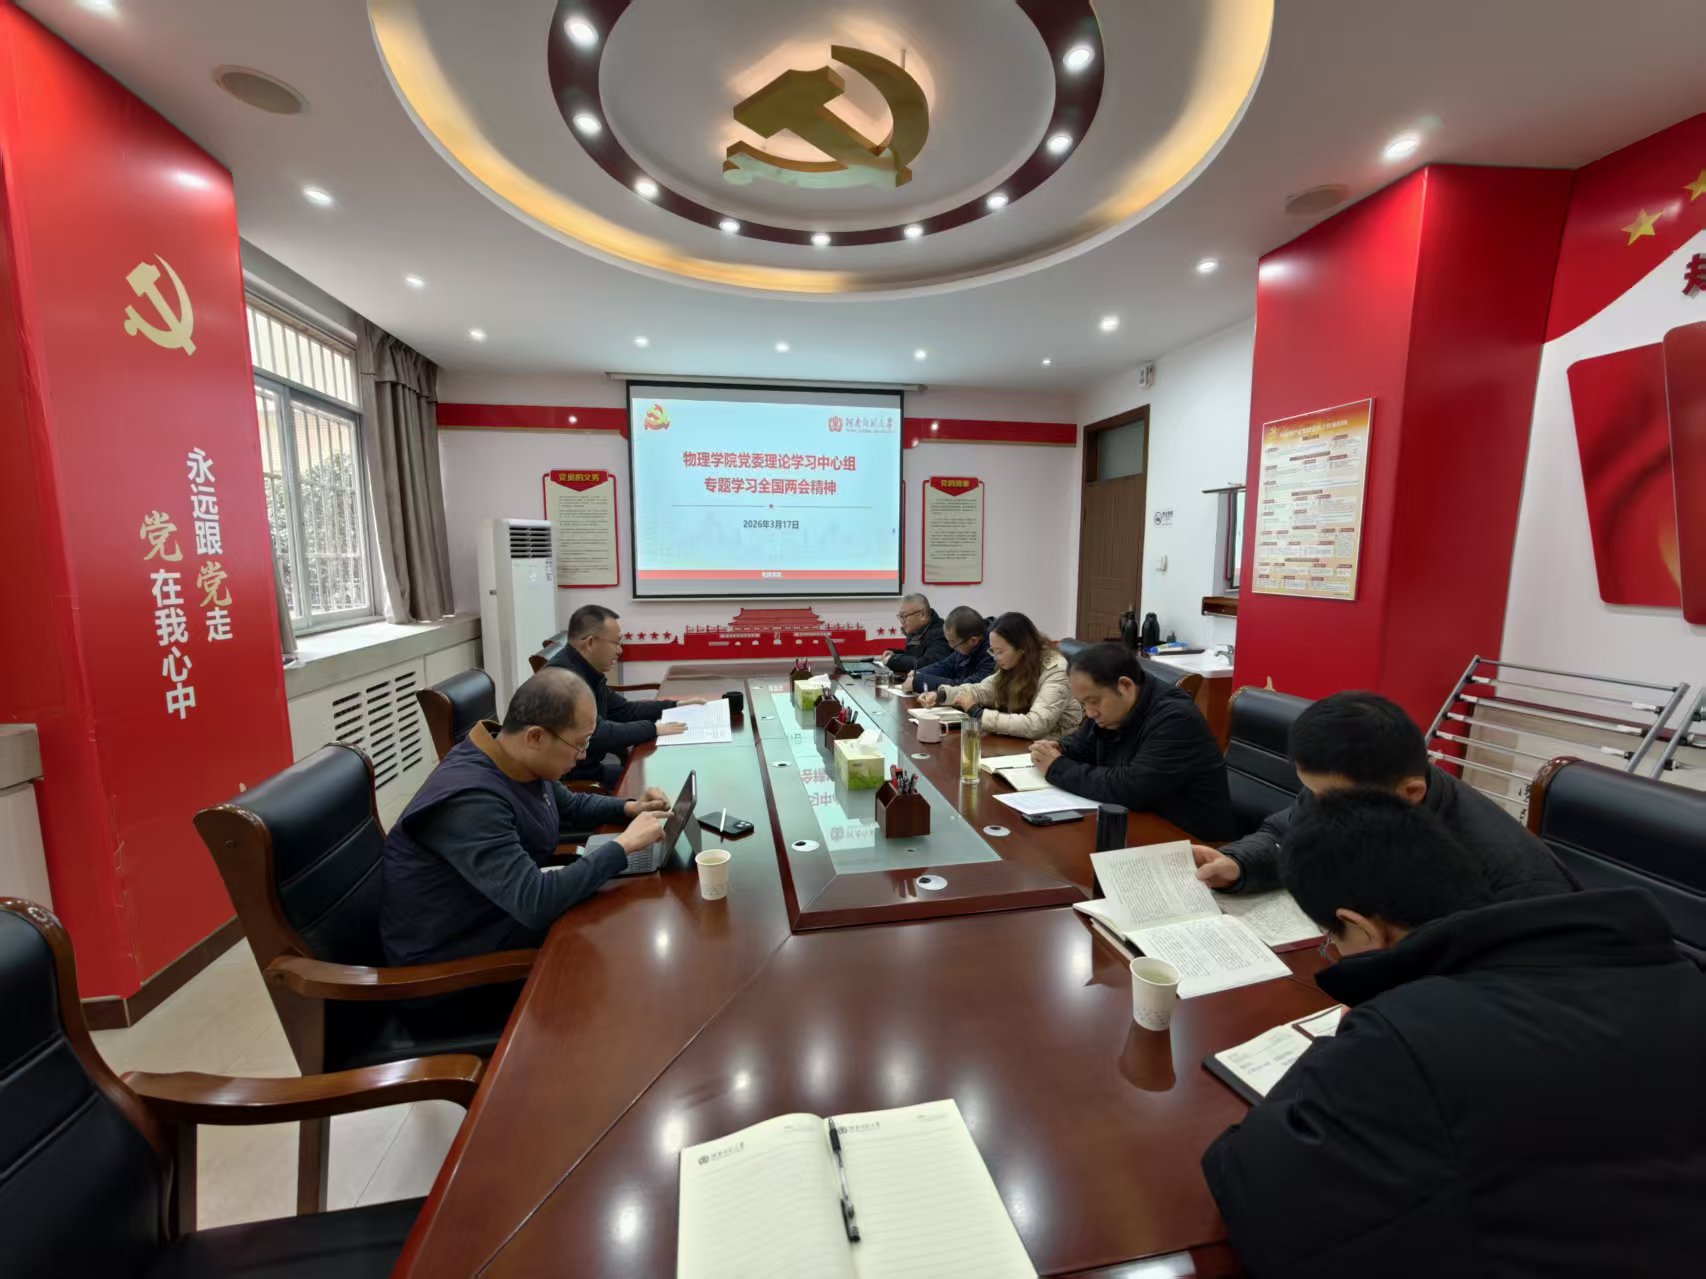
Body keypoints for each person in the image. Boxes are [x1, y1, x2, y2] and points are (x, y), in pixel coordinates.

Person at [1202, 789, 1706, 1277]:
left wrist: (1343, 1046)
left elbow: (1255, 1190)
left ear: (1362, 927)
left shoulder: (1410, 1035)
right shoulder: (1674, 978)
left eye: (1332, 941)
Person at [381, 667, 671, 968]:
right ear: (535, 737)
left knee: (623, 915)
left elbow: (571, 804)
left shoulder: (513, 757)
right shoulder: (470, 801)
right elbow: (535, 902)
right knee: (623, 941)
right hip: (452, 959)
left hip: (496, 911)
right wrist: (623, 846)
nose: (583, 755)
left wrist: (630, 808)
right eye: (580, 743)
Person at [1194, 690, 1575, 899]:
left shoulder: (1516, 881)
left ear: (1411, 792)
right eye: (1311, 791)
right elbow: (1286, 834)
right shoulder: (1339, 790)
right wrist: (1240, 864)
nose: (1320, 810)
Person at [1030, 643, 1235, 841]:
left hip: (1192, 841)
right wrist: (1058, 749)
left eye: (1093, 701)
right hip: (1140, 822)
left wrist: (1057, 767)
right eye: (1084, 703)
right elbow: (1084, 746)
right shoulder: (1112, 708)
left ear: (1126, 686)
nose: (1090, 713)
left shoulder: (1177, 719)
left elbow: (1132, 788)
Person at [547, 603, 715, 782]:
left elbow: (624, 710)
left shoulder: (586, 670)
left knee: (663, 774)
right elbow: (597, 735)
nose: (620, 650)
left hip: (590, 768)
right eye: (616, 643)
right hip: (574, 780)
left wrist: (675, 706)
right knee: (660, 780)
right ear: (590, 643)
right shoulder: (563, 680)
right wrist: (654, 728)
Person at [918, 611, 1083, 739]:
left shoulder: (1056, 671)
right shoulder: (1014, 663)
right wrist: (941, 695)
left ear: (1022, 648)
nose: (995, 658)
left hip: (1056, 747)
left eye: (1000, 651)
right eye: (993, 651)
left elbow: (1036, 725)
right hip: (1022, 743)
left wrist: (978, 714)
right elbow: (981, 690)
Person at [903, 605, 995, 693]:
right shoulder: (966, 641)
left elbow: (968, 686)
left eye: (953, 642)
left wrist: (920, 681)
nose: (950, 646)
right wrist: (919, 673)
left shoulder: (993, 653)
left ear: (973, 641)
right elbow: (946, 665)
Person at [877, 593, 951, 675]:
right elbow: (914, 656)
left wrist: (892, 660)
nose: (902, 621)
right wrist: (894, 653)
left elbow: (926, 664)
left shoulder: (940, 633)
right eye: (900, 617)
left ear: (922, 615)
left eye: (904, 616)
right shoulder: (916, 630)